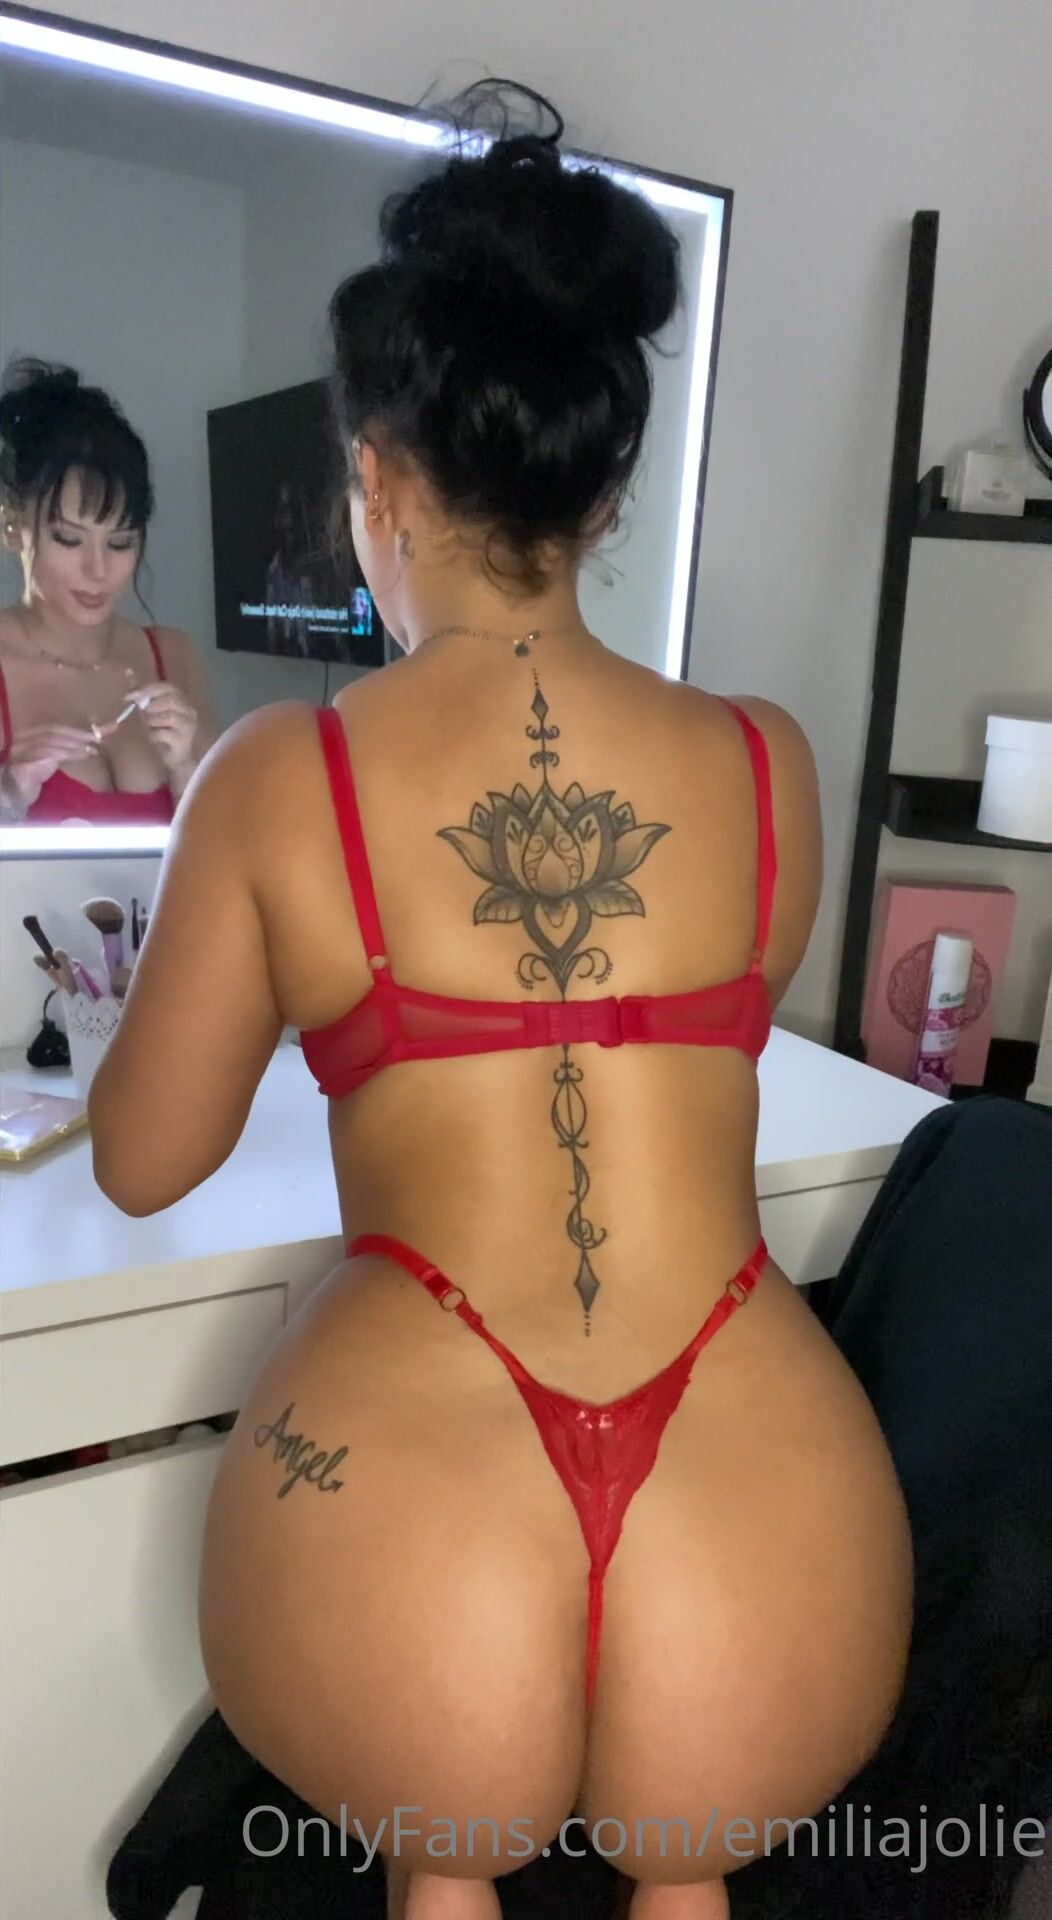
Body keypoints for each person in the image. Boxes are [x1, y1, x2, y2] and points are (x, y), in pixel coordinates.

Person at [88, 90, 912, 1920]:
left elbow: (143, 1161)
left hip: (414, 1501)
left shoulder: (281, 774)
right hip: (763, 1500)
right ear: (605, 495)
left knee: (438, 1877)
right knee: (689, 1885)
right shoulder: (768, 763)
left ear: (372, 479)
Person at [0, 360, 216, 825]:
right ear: (13, 524)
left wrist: (186, 771)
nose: (98, 570)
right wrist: (10, 794)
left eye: (120, 543)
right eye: (68, 539)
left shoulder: (173, 657)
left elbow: (228, 844)